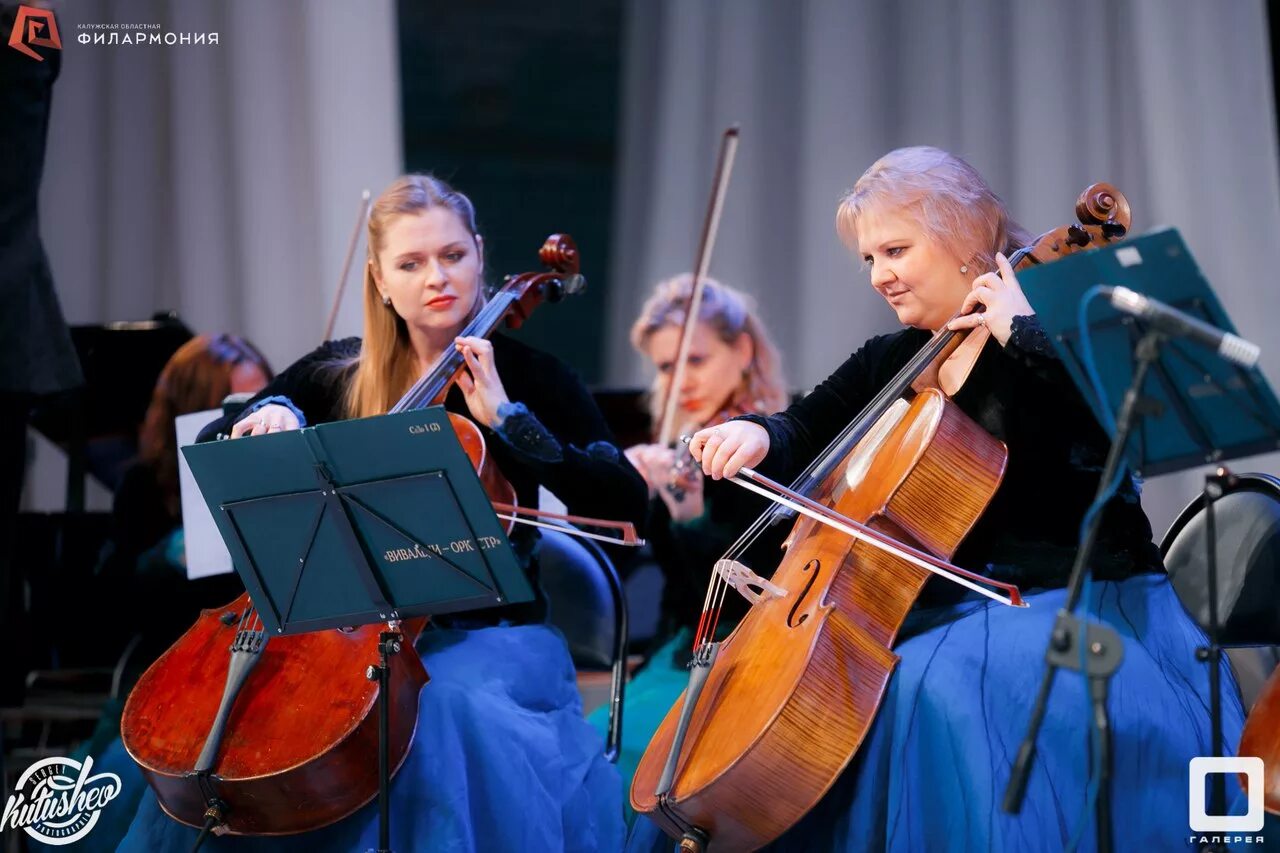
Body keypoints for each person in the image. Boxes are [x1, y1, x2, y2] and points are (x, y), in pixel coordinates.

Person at [627, 146, 1246, 851]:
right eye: (869, 258)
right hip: (951, 604)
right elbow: (803, 423)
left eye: (895, 248)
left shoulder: (1060, 329)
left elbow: (1129, 429)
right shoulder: (894, 358)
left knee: (927, 688)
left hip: (1077, 596)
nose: (880, 274)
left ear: (962, 236)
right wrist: (754, 433)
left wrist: (1027, 333)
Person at [117, 174, 648, 852]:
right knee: (237, 728)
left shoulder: (535, 377)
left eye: (453, 255)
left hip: (486, 640)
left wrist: (510, 421)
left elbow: (628, 502)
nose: (438, 277)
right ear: (379, 278)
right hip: (336, 638)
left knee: (435, 715)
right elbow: (230, 441)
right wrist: (266, 410)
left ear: (480, 254)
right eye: (412, 262)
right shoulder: (336, 371)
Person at [589, 275, 788, 814]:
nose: (681, 381)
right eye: (665, 367)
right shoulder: (680, 450)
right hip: (682, 649)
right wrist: (644, 504)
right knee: (586, 749)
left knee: (636, 763)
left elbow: (757, 588)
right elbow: (670, 592)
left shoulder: (777, 440)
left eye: (695, 360)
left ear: (741, 350)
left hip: (753, 656)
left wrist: (695, 521)